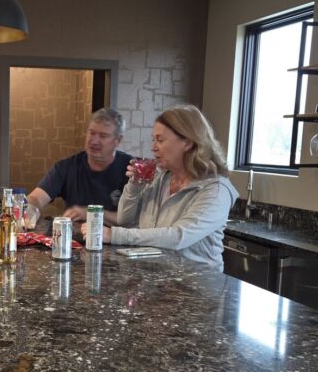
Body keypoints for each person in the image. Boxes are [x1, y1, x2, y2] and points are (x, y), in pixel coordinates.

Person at [83, 104, 238, 270]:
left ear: (187, 142)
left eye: (160, 140)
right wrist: (134, 186)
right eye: (153, 139)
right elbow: (124, 220)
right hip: (157, 280)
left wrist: (114, 235)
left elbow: (179, 236)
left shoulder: (216, 190)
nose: (153, 147)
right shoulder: (159, 177)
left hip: (197, 288)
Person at [26, 107, 133, 224]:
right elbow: (36, 197)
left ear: (118, 140)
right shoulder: (66, 167)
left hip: (115, 239)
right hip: (74, 239)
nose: (94, 141)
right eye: (92, 133)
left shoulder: (132, 170)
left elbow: (134, 219)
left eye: (103, 136)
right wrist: (30, 210)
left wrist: (91, 213)